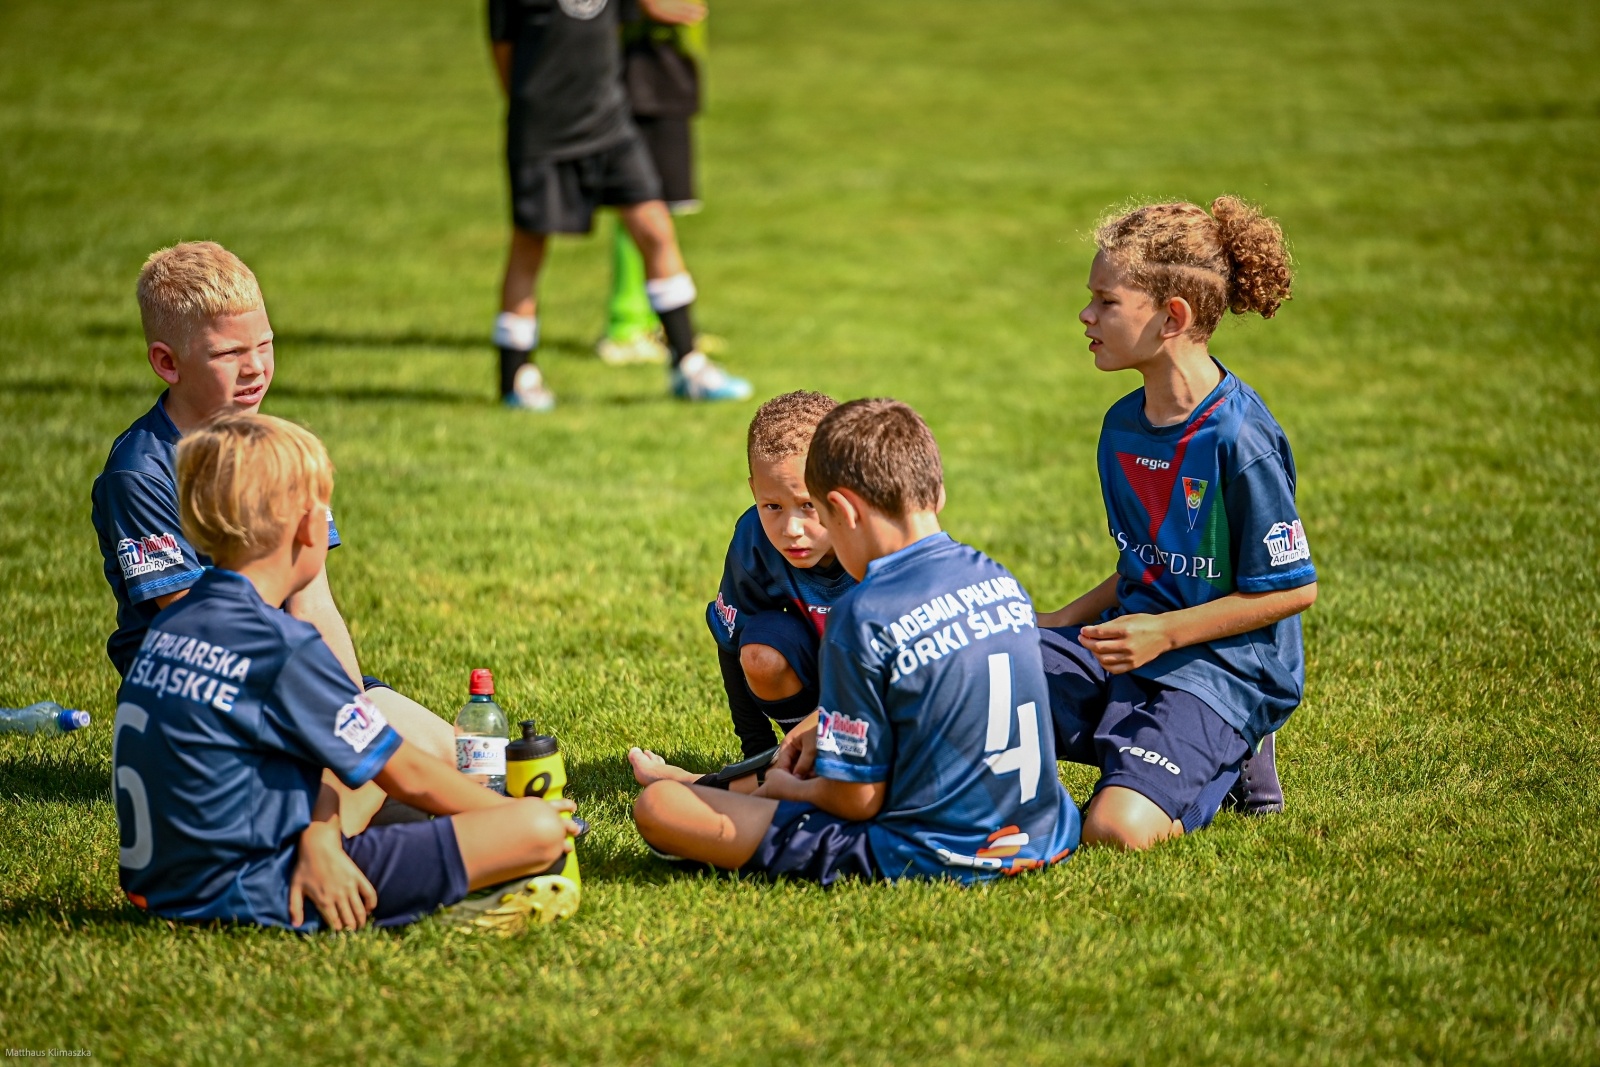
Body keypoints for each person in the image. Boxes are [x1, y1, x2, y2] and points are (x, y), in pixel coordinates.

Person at [113, 414, 579, 931]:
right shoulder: (280, 644)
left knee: (386, 784)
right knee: (538, 831)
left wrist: (318, 830)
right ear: (311, 527)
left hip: (159, 886)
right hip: (263, 889)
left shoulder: (171, 623)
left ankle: (338, 847)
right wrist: (510, 813)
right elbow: (408, 772)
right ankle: (459, 902)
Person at [90, 241, 457, 836]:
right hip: (208, 707)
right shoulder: (143, 472)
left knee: (457, 753)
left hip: (288, 678)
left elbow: (314, 603)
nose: (256, 366)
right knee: (404, 759)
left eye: (265, 345)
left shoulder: (276, 448)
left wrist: (344, 706)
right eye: (229, 353)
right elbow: (197, 633)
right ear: (167, 362)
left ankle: (475, 821)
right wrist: (338, 725)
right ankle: (360, 838)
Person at [632, 399, 1081, 884]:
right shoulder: (999, 579)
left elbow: (855, 800)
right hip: (1047, 828)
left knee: (660, 806)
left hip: (931, 851)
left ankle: (707, 787)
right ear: (938, 494)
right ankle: (722, 783)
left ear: (840, 509)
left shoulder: (863, 614)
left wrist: (788, 789)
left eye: (815, 509)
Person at [1037, 197, 1316, 851]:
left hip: (1221, 666)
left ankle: (1232, 743)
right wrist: (1056, 622)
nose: (1085, 315)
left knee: (1115, 829)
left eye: (1105, 300)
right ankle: (1140, 749)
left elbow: (1292, 589)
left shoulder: (1238, 437)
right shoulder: (1121, 428)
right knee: (967, 674)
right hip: (1133, 651)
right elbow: (1150, 561)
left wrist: (1163, 632)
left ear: (1173, 317)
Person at [489, 0, 750, 409]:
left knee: (655, 227)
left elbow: (619, 29)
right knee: (529, 247)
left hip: (610, 126)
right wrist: (531, 109)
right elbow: (502, 51)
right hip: (543, 132)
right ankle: (516, 378)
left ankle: (689, 366)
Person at [695, 391, 856, 761]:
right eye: (772, 506)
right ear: (754, 491)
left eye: (808, 506)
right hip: (811, 680)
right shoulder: (753, 540)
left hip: (875, 695)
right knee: (759, 650)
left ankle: (841, 749)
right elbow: (731, 644)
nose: (791, 529)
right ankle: (798, 752)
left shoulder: (874, 541)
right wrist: (756, 749)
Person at [597, 0, 709, 366]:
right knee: (642, 202)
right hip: (639, 74)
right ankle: (626, 326)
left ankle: (655, 322)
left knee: (664, 204)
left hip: (670, 72)